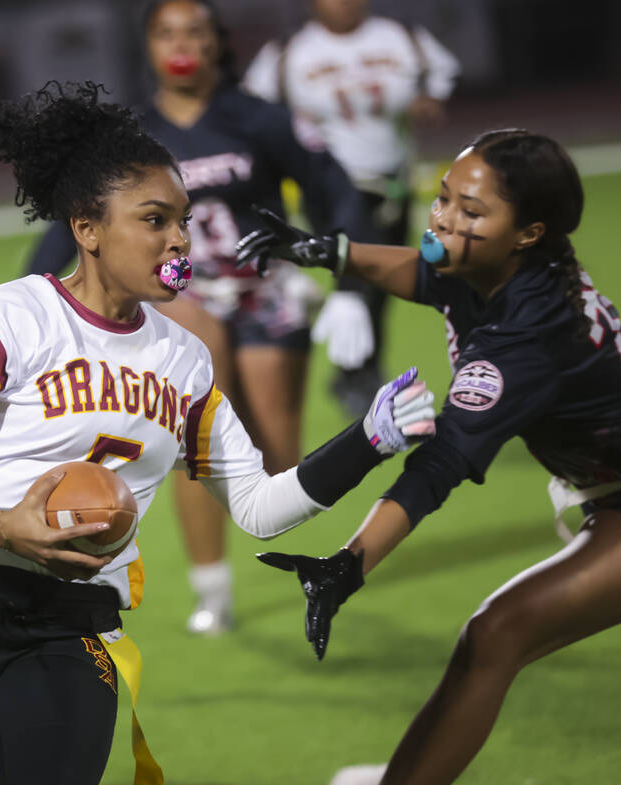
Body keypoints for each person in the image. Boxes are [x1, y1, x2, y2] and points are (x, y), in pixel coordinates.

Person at [0, 80, 436, 785]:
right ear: (87, 228)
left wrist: (367, 441)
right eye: (155, 219)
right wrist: (0, 523)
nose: (179, 238)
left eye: (182, 219)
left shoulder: (183, 359)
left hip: (73, 626)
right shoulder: (6, 317)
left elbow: (258, 504)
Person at [238, 129, 621, 785]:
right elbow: (423, 271)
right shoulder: (498, 265)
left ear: (527, 231)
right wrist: (329, 251)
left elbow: (440, 464)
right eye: (443, 198)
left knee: (495, 634)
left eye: (471, 211)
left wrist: (349, 563)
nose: (443, 219)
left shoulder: (524, 338)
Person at [27, 0, 374, 636]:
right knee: (196, 429)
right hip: (179, 284)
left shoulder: (258, 118)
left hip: (264, 289)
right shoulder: (126, 136)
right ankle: (211, 587)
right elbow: (72, 221)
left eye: (195, 31)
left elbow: (337, 189)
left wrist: (350, 283)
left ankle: (264, 551)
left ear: (218, 44)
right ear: (150, 46)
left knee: (272, 455)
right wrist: (30, 302)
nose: (182, 43)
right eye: (167, 32)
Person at [243, 0, 461, 419]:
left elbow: (441, 73)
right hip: (331, 183)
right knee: (360, 270)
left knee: (389, 274)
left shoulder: (399, 36)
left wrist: (428, 100)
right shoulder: (290, 52)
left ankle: (362, 368)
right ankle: (355, 373)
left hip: (392, 179)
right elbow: (255, 109)